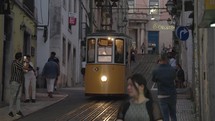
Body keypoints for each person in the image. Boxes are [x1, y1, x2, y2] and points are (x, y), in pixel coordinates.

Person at [152, 54, 177, 121]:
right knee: (173, 115)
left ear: (159, 60)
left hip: (162, 95)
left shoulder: (156, 71)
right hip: (172, 94)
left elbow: (154, 80)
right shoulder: (172, 69)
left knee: (165, 115)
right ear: (166, 60)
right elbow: (174, 77)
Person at [8, 52, 28, 117]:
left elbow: (24, 70)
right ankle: (10, 111)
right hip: (15, 82)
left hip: (18, 82)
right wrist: (25, 60)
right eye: (21, 57)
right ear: (19, 58)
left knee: (18, 97)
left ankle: (18, 110)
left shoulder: (16, 63)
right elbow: (25, 68)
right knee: (13, 97)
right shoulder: (16, 63)